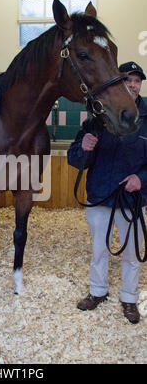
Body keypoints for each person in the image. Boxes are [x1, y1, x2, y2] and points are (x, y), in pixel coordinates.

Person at [67, 61, 147, 324]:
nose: (133, 85)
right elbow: (75, 158)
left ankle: (129, 298)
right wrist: (85, 147)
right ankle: (98, 291)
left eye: (137, 81)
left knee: (132, 253)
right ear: (119, 84)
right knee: (99, 249)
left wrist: (141, 178)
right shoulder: (97, 118)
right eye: (128, 80)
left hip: (131, 199)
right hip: (100, 196)